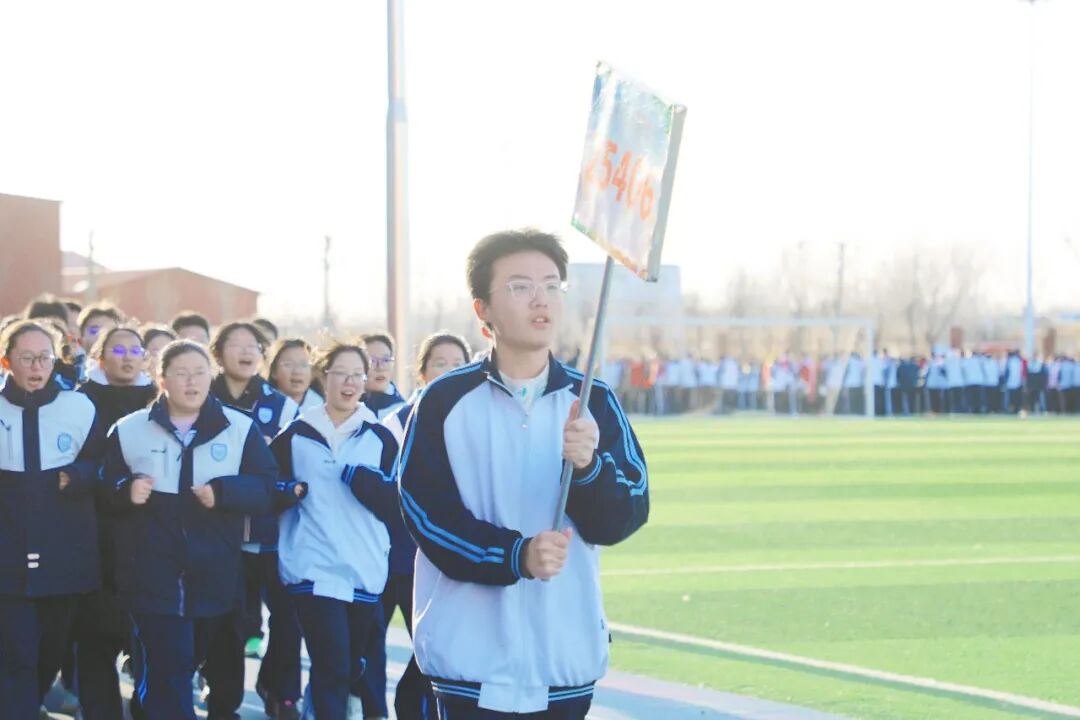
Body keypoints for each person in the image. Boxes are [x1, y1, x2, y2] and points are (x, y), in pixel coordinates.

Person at [398, 229, 649, 719]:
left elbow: (627, 513)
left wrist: (589, 468)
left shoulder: (593, 400)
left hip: (563, 659)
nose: (541, 299)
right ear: (483, 310)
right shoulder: (444, 401)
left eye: (552, 285)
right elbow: (427, 517)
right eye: (520, 286)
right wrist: (516, 555)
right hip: (471, 662)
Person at [103, 339, 280, 719]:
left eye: (199, 373)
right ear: (162, 379)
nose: (191, 381)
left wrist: (225, 492)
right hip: (151, 577)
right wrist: (125, 490)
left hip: (214, 576)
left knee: (180, 667)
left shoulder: (239, 428)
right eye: (181, 373)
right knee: (171, 667)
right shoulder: (129, 430)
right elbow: (103, 488)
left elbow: (267, 488)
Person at [272, 341, 399, 720]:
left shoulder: (381, 437)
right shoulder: (296, 435)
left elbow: (400, 504)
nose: (349, 382)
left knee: (351, 663)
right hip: (312, 565)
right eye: (340, 373)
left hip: (363, 568)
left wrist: (368, 485)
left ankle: (319, 709)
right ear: (322, 377)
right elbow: (268, 488)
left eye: (357, 374)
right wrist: (287, 491)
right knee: (332, 663)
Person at [0, 320, 106, 719]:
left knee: (52, 649)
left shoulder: (78, 407)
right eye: (26, 357)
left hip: (64, 553)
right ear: (6, 361)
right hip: (8, 553)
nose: (36, 367)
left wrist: (79, 475)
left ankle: (31, 700)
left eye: (44, 357)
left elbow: (104, 465)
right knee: (17, 653)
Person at [362, 333, 470, 720]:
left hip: (444, 558)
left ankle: (408, 706)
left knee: (434, 653)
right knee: (368, 649)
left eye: (458, 364)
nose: (450, 371)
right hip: (391, 557)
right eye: (440, 363)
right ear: (421, 373)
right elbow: (377, 485)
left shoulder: (477, 421)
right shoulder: (396, 423)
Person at [206, 321, 298, 717]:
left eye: (254, 346)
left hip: (273, 534)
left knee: (287, 619)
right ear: (218, 352)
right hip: (220, 535)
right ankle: (223, 701)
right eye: (236, 345)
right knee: (228, 624)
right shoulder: (202, 397)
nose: (246, 352)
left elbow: (293, 470)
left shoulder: (283, 406)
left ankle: (280, 690)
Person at [73, 327, 160, 719]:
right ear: (100, 356)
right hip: (93, 534)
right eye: (118, 350)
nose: (127, 357)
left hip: (148, 535)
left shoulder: (158, 399)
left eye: (134, 350)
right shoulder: (80, 401)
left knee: (149, 644)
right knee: (94, 640)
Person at [268, 338, 323, 415]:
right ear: (273, 371)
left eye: (304, 365)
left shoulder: (322, 408)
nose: (297, 371)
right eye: (288, 364)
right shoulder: (260, 403)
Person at [361, 333, 406, 420]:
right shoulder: (348, 408)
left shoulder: (403, 412)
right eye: (372, 361)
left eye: (386, 360)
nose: (380, 367)